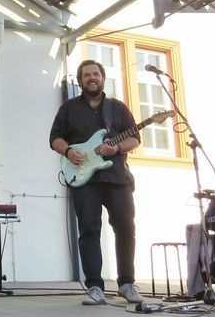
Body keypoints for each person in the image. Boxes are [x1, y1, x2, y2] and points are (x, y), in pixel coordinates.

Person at [49, 59, 144, 306]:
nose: (92, 78)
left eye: (96, 74)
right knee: (89, 230)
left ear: (102, 78)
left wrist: (117, 148)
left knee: (125, 228)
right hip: (84, 179)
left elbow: (134, 138)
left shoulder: (118, 108)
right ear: (80, 81)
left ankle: (126, 283)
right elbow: (55, 138)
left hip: (117, 177)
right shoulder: (69, 108)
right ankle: (94, 287)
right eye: (87, 75)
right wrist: (69, 151)